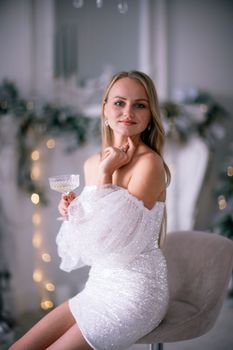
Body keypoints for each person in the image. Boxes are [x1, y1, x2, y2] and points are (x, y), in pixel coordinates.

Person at [10, 70, 171, 350]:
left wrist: (106, 175)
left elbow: (109, 244)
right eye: (119, 103)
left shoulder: (149, 165)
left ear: (149, 114)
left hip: (136, 293)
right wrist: (74, 214)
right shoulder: (92, 162)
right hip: (98, 287)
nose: (128, 112)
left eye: (140, 105)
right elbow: (87, 242)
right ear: (105, 109)